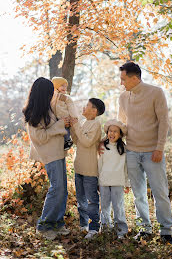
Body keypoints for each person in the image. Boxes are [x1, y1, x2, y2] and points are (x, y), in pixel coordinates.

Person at [118, 61, 172, 244]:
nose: (121, 83)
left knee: (160, 192)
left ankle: (166, 231)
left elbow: (164, 122)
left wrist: (159, 147)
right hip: (132, 151)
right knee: (138, 193)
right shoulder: (123, 97)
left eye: (124, 79)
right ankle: (145, 229)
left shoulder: (156, 92)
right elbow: (122, 125)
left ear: (135, 78)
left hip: (153, 151)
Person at [22, 77, 70, 241]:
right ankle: (44, 226)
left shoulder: (47, 108)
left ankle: (57, 222)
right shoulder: (34, 113)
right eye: (50, 92)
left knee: (63, 189)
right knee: (56, 189)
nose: (52, 95)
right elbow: (40, 137)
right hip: (50, 154)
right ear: (43, 94)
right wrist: (59, 126)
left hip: (58, 152)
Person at [70, 98, 105, 239]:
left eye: (87, 106)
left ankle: (94, 228)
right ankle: (83, 225)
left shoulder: (96, 124)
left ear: (94, 111)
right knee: (81, 199)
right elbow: (77, 141)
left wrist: (76, 126)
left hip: (89, 169)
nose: (84, 108)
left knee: (92, 200)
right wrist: (73, 127)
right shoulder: (83, 123)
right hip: (78, 167)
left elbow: (86, 141)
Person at [98, 119, 129, 239]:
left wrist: (127, 183)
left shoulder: (123, 149)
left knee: (118, 206)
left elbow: (126, 167)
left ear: (120, 134)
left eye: (115, 131)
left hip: (118, 181)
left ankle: (121, 230)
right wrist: (98, 180)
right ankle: (106, 228)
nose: (112, 133)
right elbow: (99, 165)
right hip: (104, 181)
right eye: (110, 131)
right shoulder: (102, 147)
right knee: (105, 206)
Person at [51, 76, 78, 151]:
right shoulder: (52, 96)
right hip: (55, 118)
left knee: (66, 129)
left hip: (65, 116)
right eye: (62, 85)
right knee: (59, 131)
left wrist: (74, 117)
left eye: (66, 86)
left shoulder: (65, 97)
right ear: (56, 85)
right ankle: (62, 142)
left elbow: (71, 106)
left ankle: (68, 141)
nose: (64, 88)